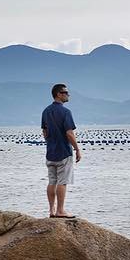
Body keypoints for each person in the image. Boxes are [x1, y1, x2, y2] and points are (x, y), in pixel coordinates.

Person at [41, 83, 82, 218]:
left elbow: (45, 132)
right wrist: (77, 149)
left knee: (52, 181)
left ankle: (51, 211)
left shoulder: (46, 111)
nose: (68, 95)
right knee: (62, 182)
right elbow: (69, 133)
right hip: (64, 152)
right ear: (58, 94)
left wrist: (50, 142)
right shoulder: (65, 112)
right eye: (65, 92)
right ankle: (60, 210)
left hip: (50, 152)